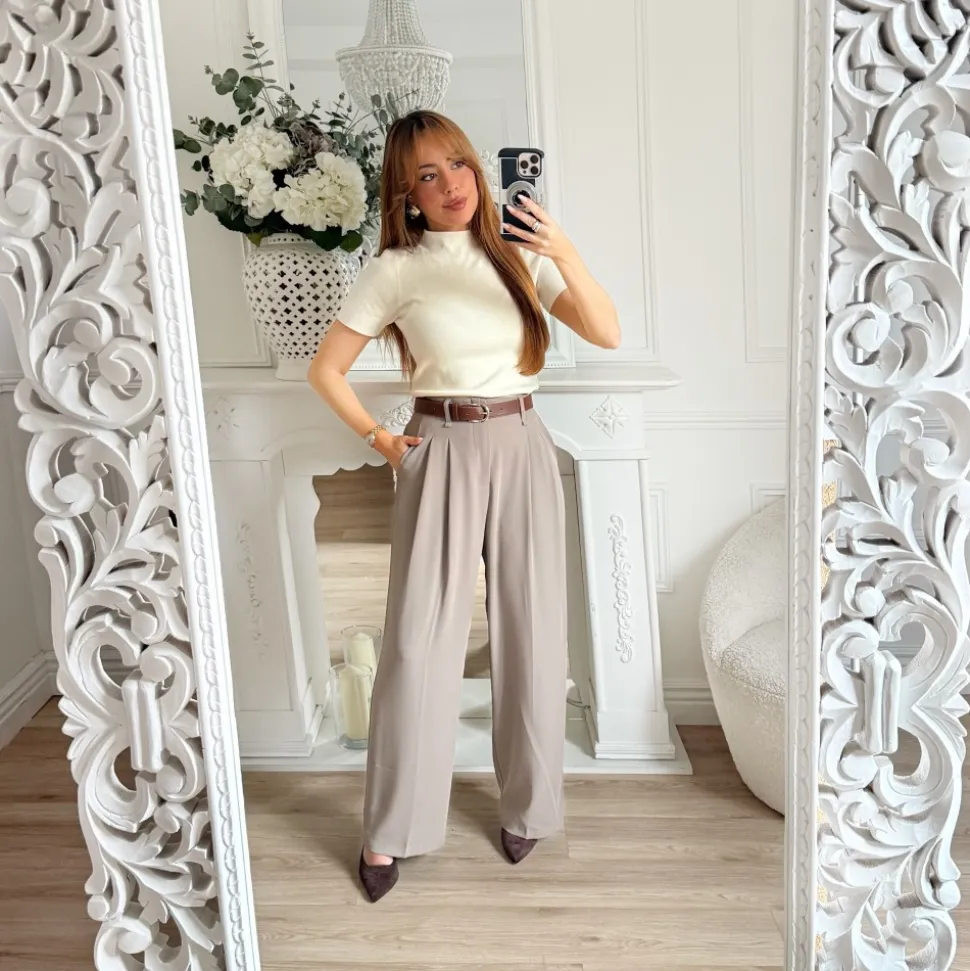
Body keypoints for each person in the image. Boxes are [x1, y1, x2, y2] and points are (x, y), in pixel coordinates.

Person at [307, 110, 620, 902]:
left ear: (479, 167)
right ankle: (390, 827)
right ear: (406, 195)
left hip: (522, 440)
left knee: (533, 631)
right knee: (418, 644)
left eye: (457, 163)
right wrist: (381, 439)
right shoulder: (396, 269)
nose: (450, 184)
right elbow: (326, 370)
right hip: (438, 445)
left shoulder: (520, 253)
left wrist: (563, 250)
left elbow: (607, 332)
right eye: (427, 174)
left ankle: (529, 804)